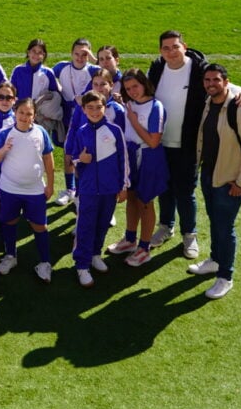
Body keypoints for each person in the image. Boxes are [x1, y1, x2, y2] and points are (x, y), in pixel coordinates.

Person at [187, 64, 241, 299]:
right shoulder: (210, 103)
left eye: (216, 80)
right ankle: (215, 260)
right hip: (210, 174)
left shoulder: (239, 108)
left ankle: (225, 276)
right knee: (215, 221)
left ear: (226, 82)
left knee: (225, 227)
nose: (211, 84)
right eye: (207, 80)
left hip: (230, 181)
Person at [146, 30, 208, 255]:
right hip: (160, 142)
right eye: (166, 48)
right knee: (164, 188)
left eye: (175, 47)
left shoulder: (199, 69)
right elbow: (141, 92)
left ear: (184, 46)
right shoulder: (157, 68)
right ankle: (165, 227)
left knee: (185, 191)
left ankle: (189, 235)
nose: (171, 52)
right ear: (160, 51)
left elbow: (222, 85)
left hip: (188, 144)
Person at [107, 69, 169, 267]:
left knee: (145, 202)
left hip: (148, 158)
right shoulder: (129, 104)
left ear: (144, 83)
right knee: (131, 198)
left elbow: (153, 141)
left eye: (135, 86)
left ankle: (144, 248)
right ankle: (130, 239)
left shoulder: (156, 106)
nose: (132, 91)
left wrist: (133, 120)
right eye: (128, 88)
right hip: (130, 156)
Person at [67, 91, 129, 288]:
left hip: (110, 189)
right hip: (87, 190)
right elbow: (75, 160)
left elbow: (123, 159)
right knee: (85, 226)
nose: (94, 111)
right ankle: (82, 265)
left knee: (102, 224)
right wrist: (80, 160)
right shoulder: (81, 132)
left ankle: (95, 254)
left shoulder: (115, 130)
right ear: (84, 110)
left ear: (105, 108)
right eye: (90, 108)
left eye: (98, 107)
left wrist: (124, 186)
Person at [0, 98, 55, 281]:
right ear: (15, 112)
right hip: (9, 189)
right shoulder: (5, 134)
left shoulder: (41, 132)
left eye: (29, 114)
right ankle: (10, 256)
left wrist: (50, 184)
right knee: (9, 221)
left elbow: (48, 159)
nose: (25, 117)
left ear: (34, 116)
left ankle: (44, 262)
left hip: (35, 190)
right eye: (21, 112)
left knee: (40, 226)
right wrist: (4, 149)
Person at [53, 38, 99, 206]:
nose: (80, 57)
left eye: (84, 54)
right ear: (71, 54)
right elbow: (48, 78)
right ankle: (70, 189)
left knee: (86, 156)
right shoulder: (61, 67)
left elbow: (114, 74)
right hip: (67, 117)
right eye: (77, 54)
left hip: (87, 119)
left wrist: (94, 59)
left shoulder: (95, 70)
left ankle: (83, 192)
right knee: (68, 154)